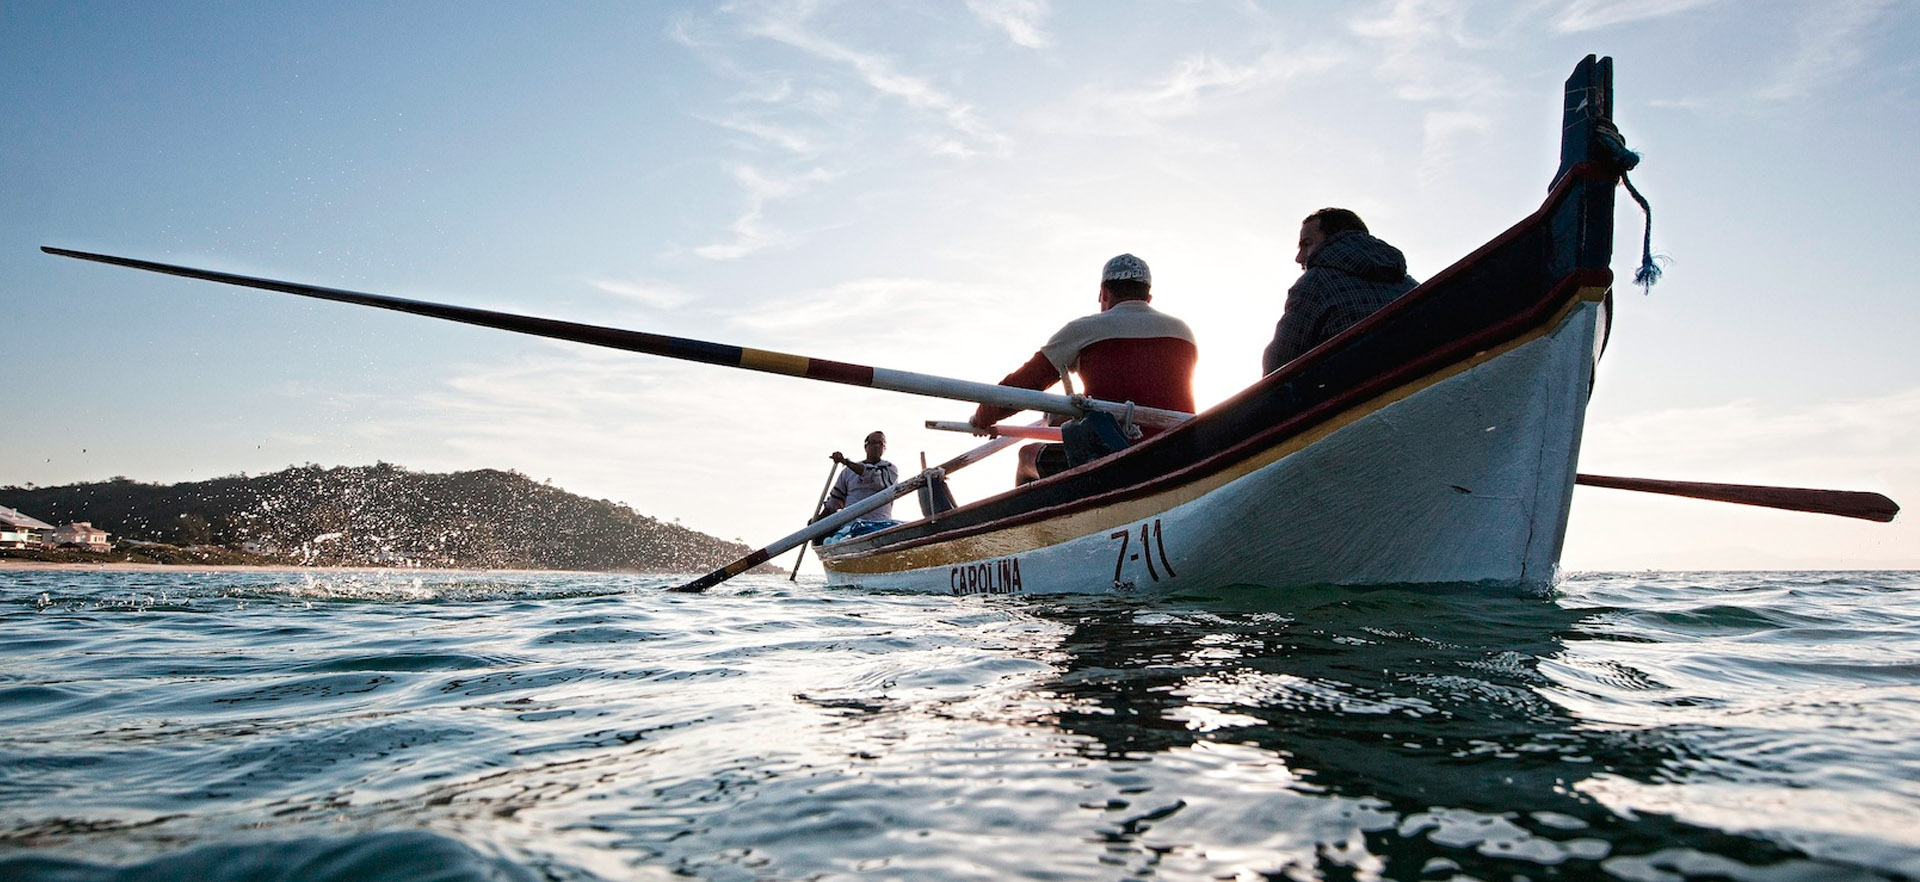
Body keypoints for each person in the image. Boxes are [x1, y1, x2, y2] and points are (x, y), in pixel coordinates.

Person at [970, 253, 1197, 483]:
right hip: (1182, 452)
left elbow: (1025, 384)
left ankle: (1043, 517)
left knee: (1026, 456)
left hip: (1114, 458)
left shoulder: (1085, 329)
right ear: (1148, 297)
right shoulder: (1183, 333)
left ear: (1104, 293)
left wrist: (984, 415)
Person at [1261, 208, 1418, 375]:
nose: (1299, 257)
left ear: (1335, 239)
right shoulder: (1410, 284)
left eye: (1306, 244)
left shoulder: (1316, 282)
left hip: (1354, 388)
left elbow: (1278, 364)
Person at [819, 430, 900, 526]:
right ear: (866, 446)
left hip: (880, 525)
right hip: (851, 528)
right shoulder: (848, 472)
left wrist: (846, 462)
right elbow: (835, 501)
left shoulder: (889, 469)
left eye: (881, 443)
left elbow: (873, 477)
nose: (877, 446)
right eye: (874, 442)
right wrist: (817, 521)